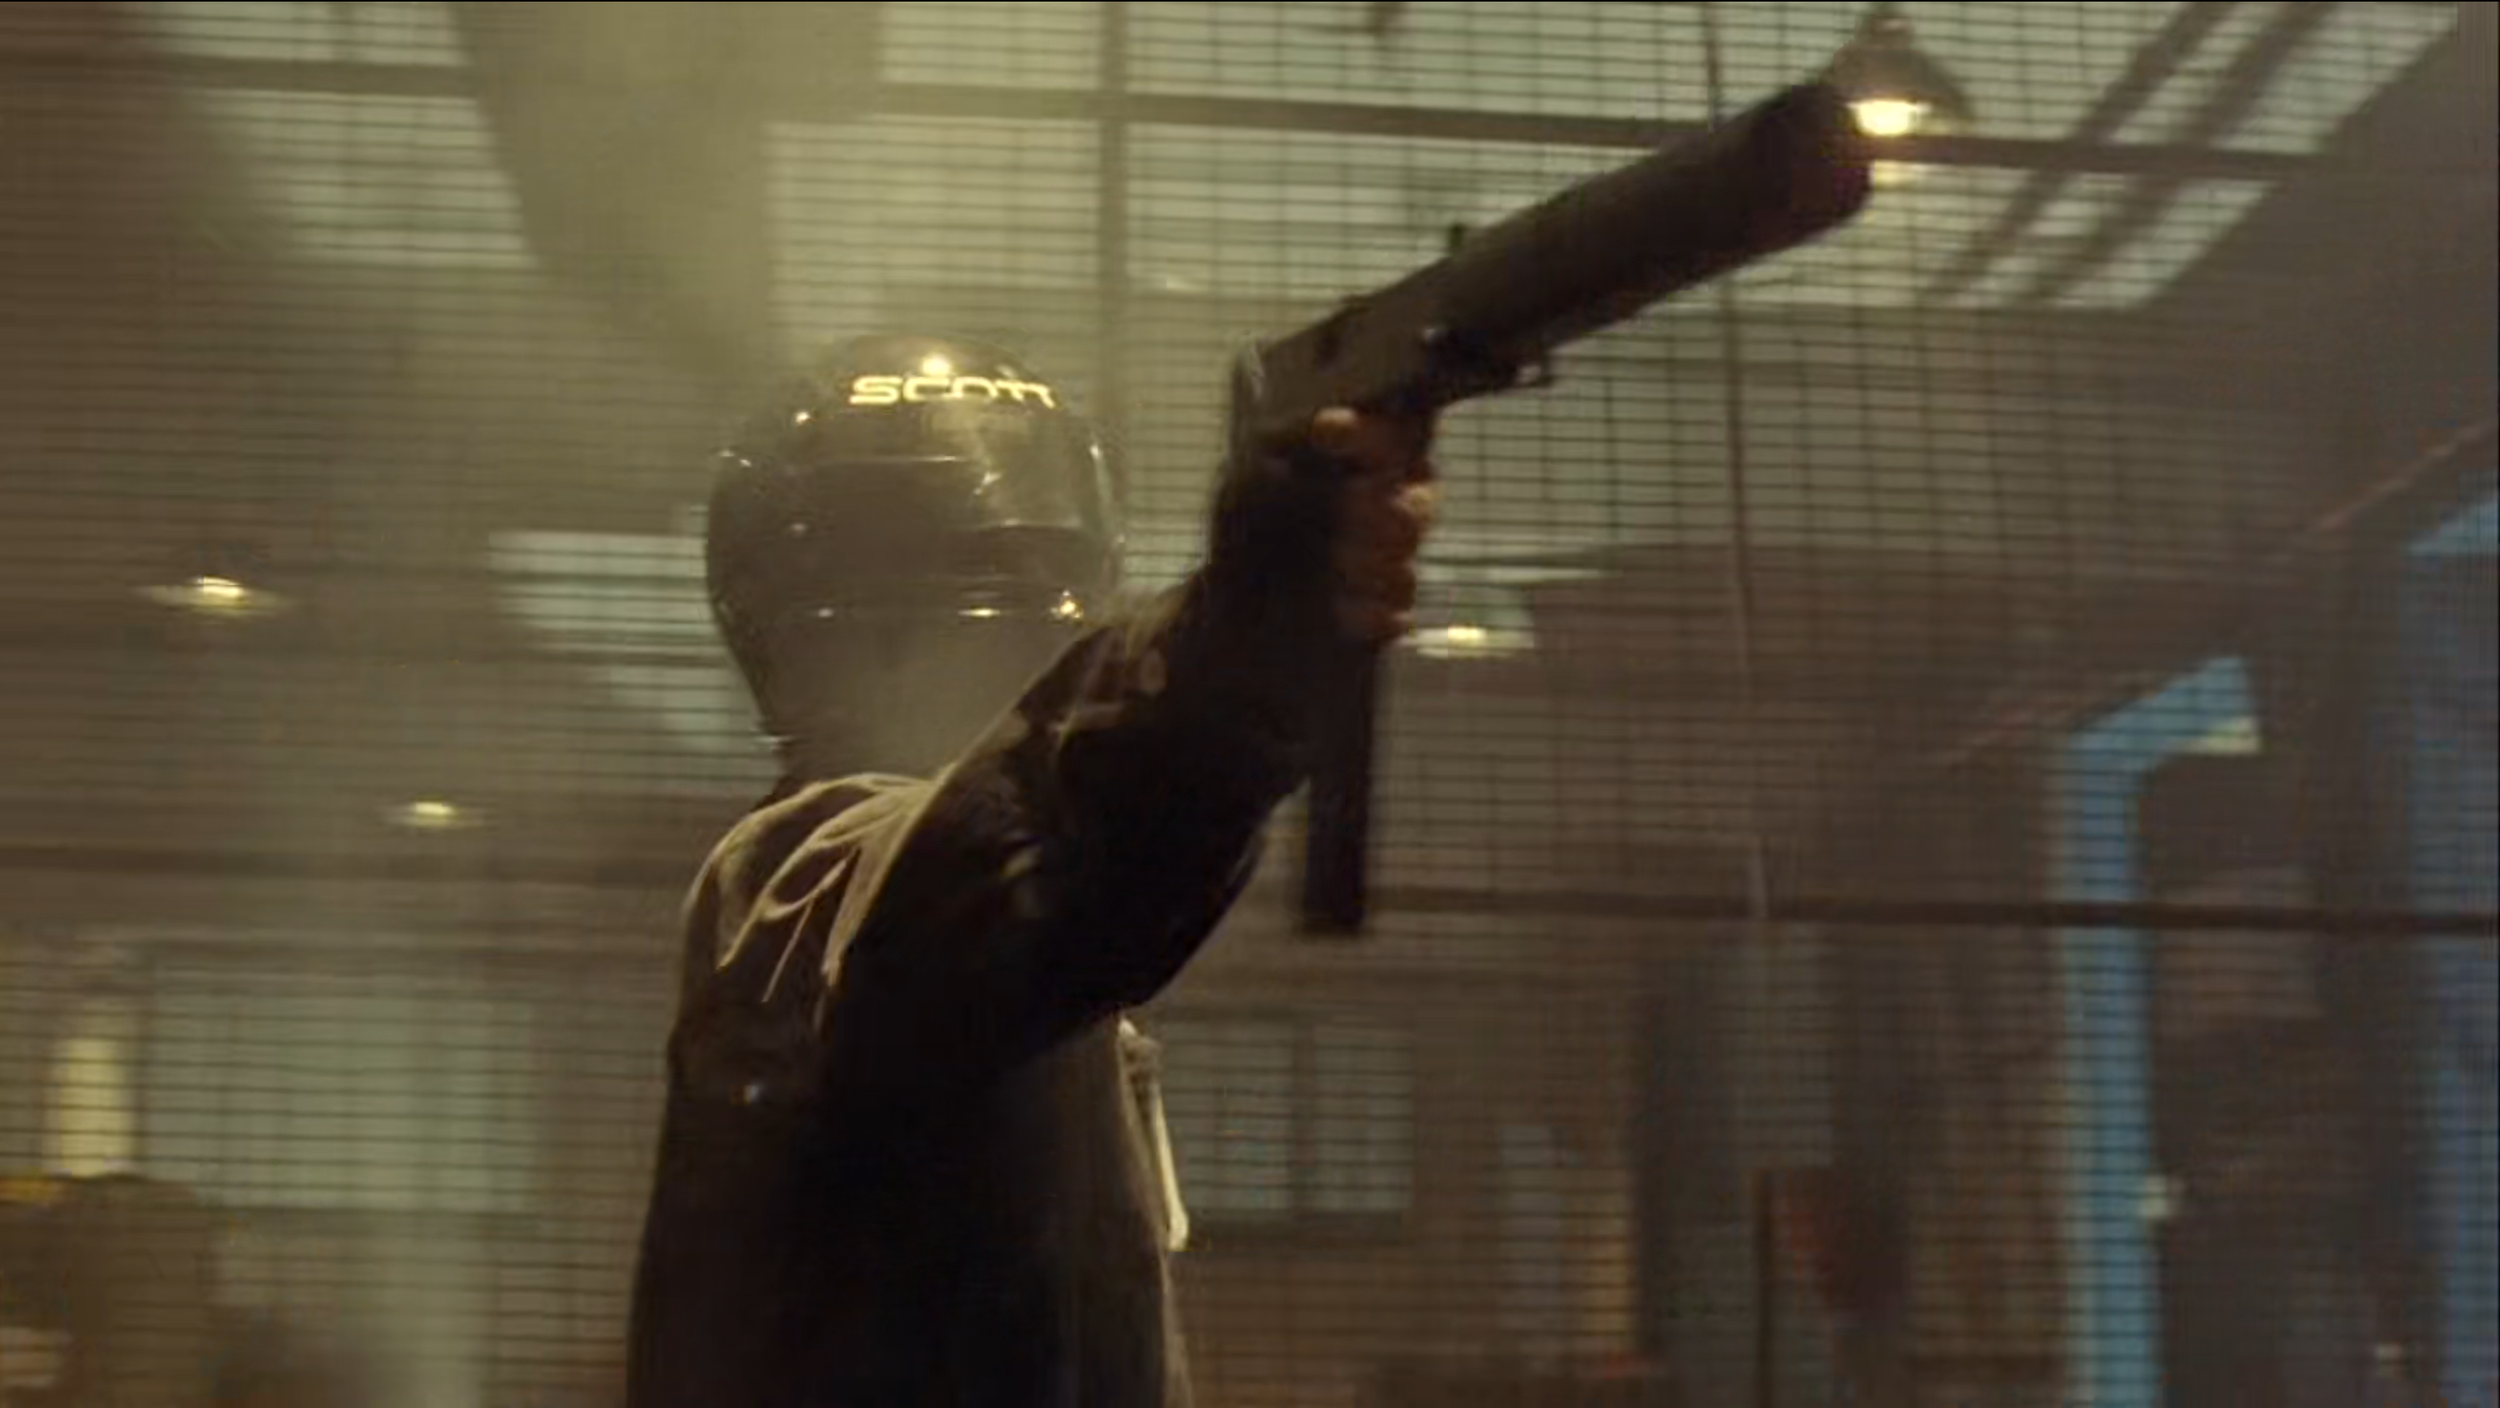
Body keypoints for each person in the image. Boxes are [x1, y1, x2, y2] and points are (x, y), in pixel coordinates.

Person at [625, 334, 1439, 1408]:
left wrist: (1243, 648)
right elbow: (1013, 862)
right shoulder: (793, 881)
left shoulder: (1006, 938)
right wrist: (1238, 645)